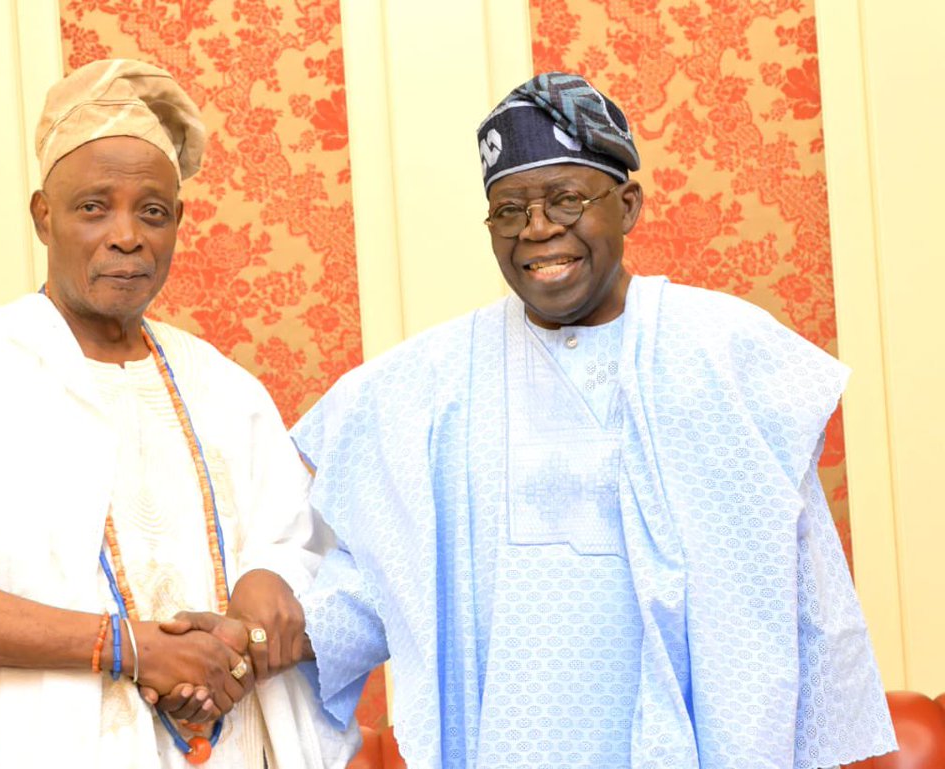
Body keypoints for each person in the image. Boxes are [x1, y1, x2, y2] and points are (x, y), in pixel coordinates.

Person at [290, 72, 897, 768]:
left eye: (567, 199)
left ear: (628, 204)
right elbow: (378, 574)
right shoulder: (432, 383)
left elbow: (805, 584)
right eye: (509, 209)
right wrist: (248, 645)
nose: (538, 228)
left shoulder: (724, 352)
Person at [0, 59, 355, 769]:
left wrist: (257, 606)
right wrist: (130, 647)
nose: (126, 235)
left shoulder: (227, 392)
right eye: (94, 206)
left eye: (151, 211)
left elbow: (304, 558)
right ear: (43, 216)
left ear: (178, 223)